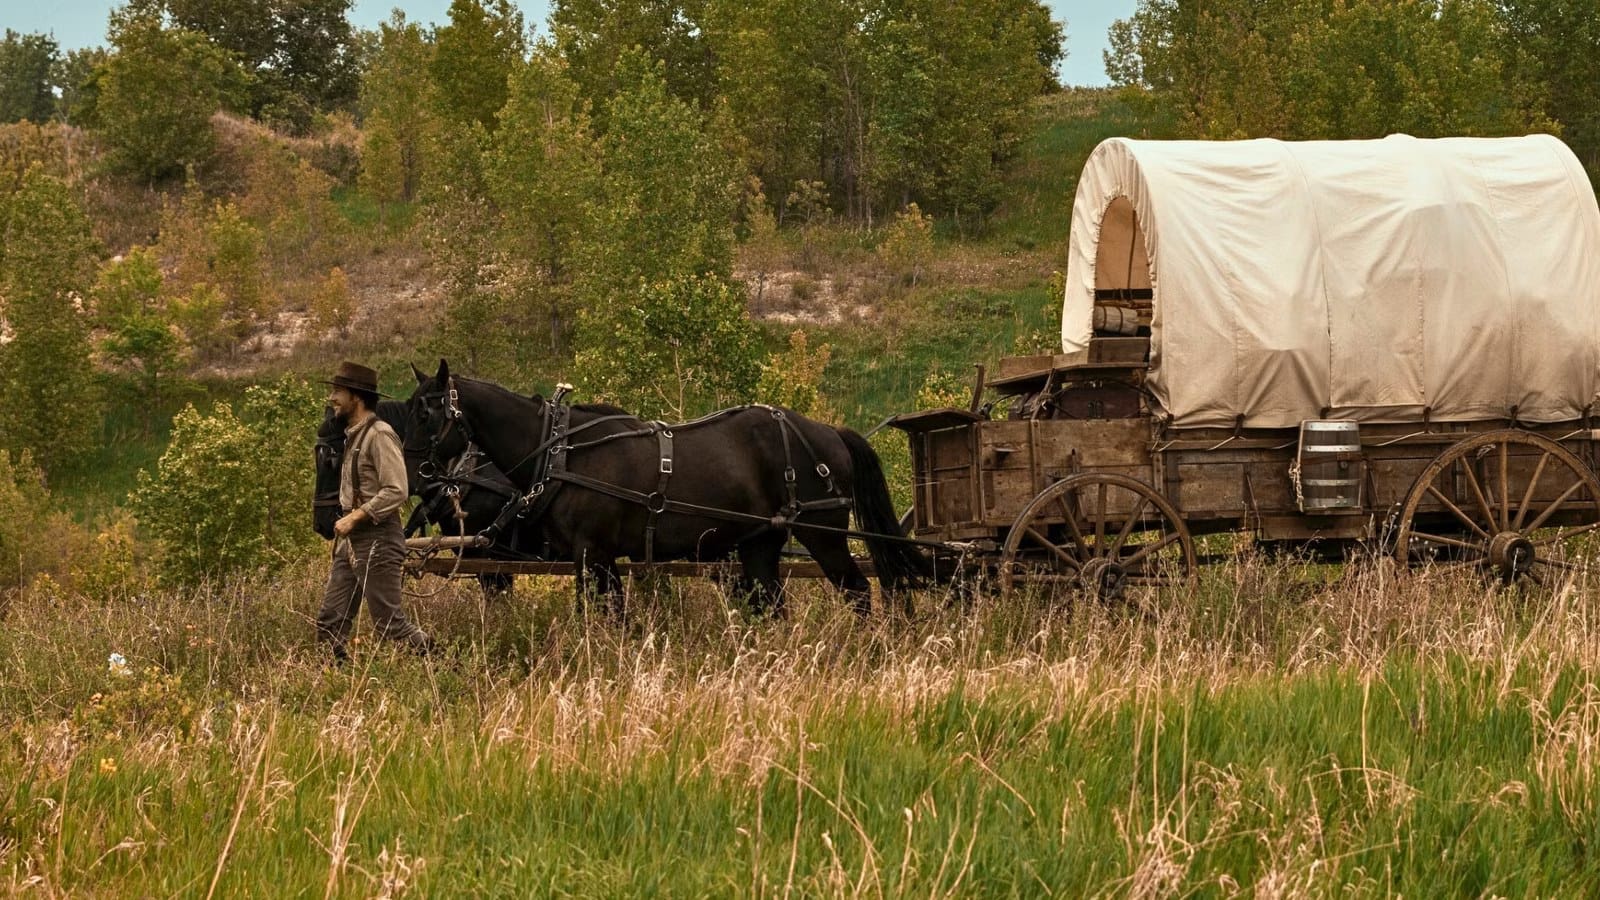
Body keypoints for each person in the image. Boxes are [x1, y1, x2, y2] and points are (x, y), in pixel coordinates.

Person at [317, 361, 433, 662]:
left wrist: (355, 516)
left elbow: (397, 490)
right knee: (330, 621)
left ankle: (446, 666)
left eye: (338, 392)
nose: (332, 398)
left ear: (356, 397)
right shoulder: (353, 434)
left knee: (390, 626)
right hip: (352, 541)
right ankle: (336, 684)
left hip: (378, 539)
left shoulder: (380, 435)